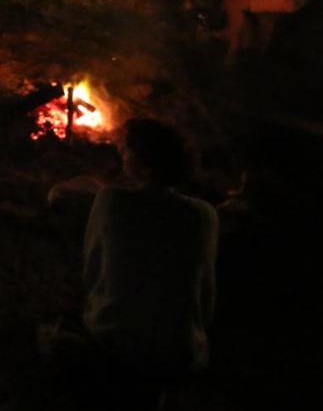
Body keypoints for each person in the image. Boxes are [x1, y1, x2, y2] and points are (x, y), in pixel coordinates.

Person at [41, 119, 218, 402]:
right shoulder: (205, 215)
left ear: (144, 164)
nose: (122, 154)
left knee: (53, 333)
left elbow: (92, 274)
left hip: (113, 340)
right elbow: (206, 297)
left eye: (128, 150)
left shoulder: (111, 200)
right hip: (183, 353)